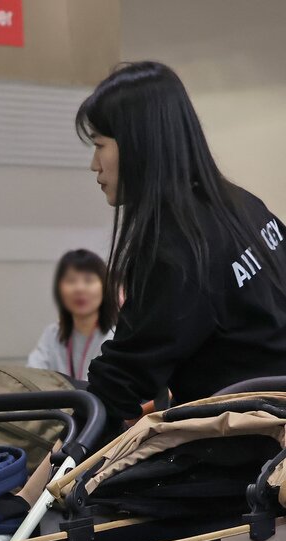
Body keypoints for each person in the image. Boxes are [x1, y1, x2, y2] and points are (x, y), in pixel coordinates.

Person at [80, 61, 286, 420]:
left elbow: (122, 380)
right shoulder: (244, 207)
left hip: (241, 440)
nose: (94, 164)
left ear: (139, 144)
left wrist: (64, 445)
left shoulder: (176, 247)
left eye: (99, 145)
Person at [26, 249, 117, 380]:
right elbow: (32, 378)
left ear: (105, 287)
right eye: (71, 280)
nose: (79, 288)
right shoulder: (53, 334)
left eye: (88, 280)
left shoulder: (115, 336)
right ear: (59, 289)